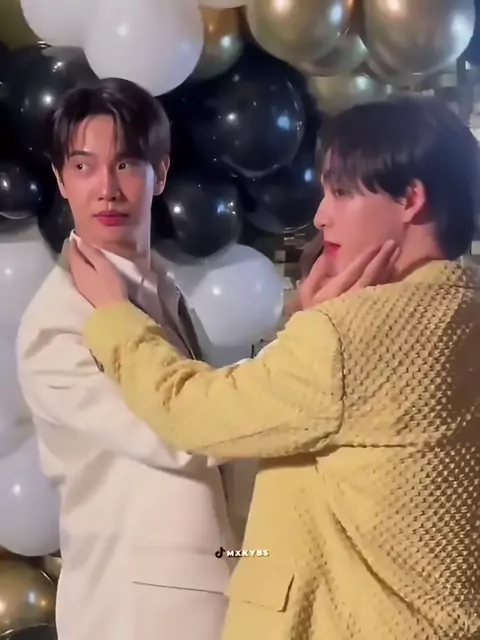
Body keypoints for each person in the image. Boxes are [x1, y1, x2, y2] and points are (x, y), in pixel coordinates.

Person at [68, 95, 480, 639]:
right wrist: (309, 324)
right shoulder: (462, 309)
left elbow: (192, 413)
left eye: (341, 192)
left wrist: (114, 316)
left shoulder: (348, 336)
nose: (320, 215)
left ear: (410, 198)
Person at [17, 77, 257, 640]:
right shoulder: (58, 321)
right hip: (132, 608)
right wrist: (297, 360)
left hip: (213, 586)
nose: (106, 189)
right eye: (84, 166)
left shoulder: (161, 288)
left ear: (160, 173)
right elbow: (184, 432)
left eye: (125, 164)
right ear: (61, 180)